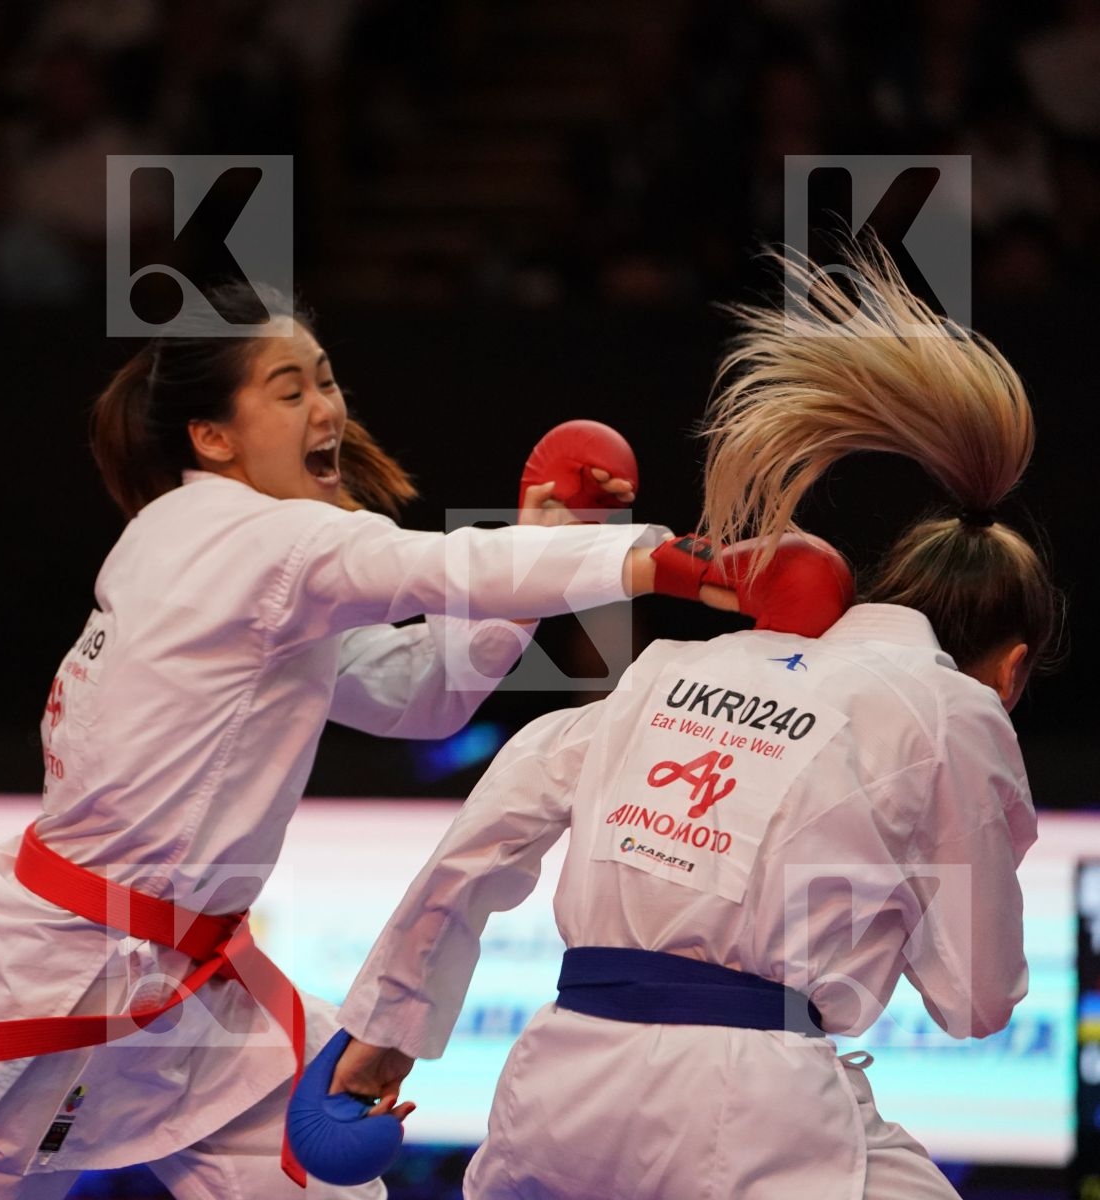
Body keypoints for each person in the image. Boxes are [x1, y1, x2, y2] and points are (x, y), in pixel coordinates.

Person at [0, 281, 718, 1200]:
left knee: (317, 1185)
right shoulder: (253, 538)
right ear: (212, 437)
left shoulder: (225, 553)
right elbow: (436, 564)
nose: (327, 407)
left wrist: (548, 551)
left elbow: (418, 695)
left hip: (190, 986)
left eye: (327, 380)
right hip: (64, 970)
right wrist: (663, 561)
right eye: (289, 389)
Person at [330, 244, 1056, 1199]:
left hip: (558, 1088)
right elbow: (973, 1003)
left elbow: (487, 831)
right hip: (749, 1110)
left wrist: (386, 1027)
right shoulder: (953, 713)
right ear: (1010, 669)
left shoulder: (667, 668)